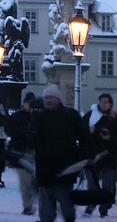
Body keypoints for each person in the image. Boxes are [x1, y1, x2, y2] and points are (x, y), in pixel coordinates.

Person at [34, 84, 91, 222]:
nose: (48, 100)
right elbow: (34, 140)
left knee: (66, 205)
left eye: (52, 97)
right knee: (46, 208)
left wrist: (87, 156)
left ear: (58, 99)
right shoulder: (39, 117)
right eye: (46, 98)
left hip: (65, 168)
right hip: (44, 168)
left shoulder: (71, 115)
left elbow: (84, 137)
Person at [83, 92, 117, 217]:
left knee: (107, 186)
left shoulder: (115, 118)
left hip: (109, 156)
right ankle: (90, 205)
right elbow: (82, 133)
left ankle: (104, 209)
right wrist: (89, 132)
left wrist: (110, 137)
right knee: (92, 184)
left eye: (106, 102)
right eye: (102, 101)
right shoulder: (90, 115)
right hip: (93, 155)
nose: (103, 104)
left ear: (110, 104)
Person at [5, 91, 38, 216]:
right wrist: (22, 133)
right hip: (20, 153)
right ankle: (27, 206)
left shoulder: (38, 117)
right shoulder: (17, 117)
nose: (30, 106)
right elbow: (8, 130)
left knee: (33, 181)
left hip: (34, 152)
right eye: (29, 103)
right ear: (24, 104)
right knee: (25, 181)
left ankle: (32, 203)